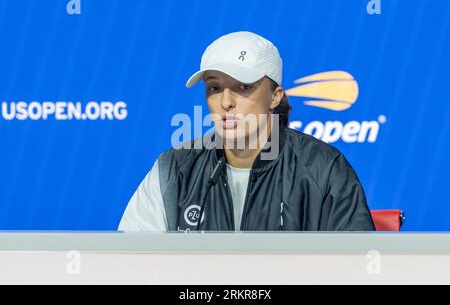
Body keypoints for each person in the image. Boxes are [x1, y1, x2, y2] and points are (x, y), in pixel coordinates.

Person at [118, 31, 375, 232]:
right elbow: (130, 266)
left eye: (242, 87)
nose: (226, 102)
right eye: (214, 88)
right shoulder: (173, 169)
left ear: (275, 97)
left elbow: (354, 271)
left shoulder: (325, 169)